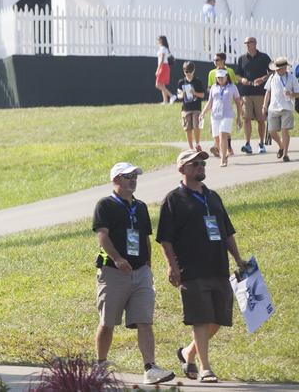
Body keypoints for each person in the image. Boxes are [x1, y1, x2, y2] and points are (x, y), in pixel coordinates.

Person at [156, 149, 250, 384]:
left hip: (218, 266)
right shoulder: (173, 199)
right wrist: (172, 266)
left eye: (202, 164)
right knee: (200, 317)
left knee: (218, 319)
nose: (201, 167)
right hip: (191, 269)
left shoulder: (213, 197)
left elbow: (227, 232)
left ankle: (188, 353)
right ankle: (205, 368)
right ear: (182, 169)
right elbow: (165, 238)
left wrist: (238, 259)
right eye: (195, 164)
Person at [92, 163, 175, 385]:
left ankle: (150, 368)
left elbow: (145, 237)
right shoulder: (105, 205)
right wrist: (118, 259)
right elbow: (102, 235)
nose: (133, 180)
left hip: (141, 272)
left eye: (135, 176)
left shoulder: (140, 207)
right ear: (116, 179)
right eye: (128, 176)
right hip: (113, 272)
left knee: (144, 320)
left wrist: (147, 265)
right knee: (108, 321)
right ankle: (100, 365)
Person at [234, 37, 271, 155]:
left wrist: (263, 79)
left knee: (261, 120)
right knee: (246, 119)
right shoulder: (241, 58)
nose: (246, 45)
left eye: (248, 43)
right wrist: (242, 79)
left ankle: (261, 144)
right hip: (245, 93)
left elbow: (272, 71)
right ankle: (248, 144)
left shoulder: (264, 57)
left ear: (254, 43)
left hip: (260, 93)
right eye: (245, 43)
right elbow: (237, 75)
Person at [202, 69, 242, 168]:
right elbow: (210, 102)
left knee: (222, 135)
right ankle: (223, 153)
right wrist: (203, 112)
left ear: (226, 77)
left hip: (227, 115)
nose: (220, 79)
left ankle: (223, 159)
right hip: (215, 116)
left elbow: (238, 102)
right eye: (218, 77)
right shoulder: (213, 88)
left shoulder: (233, 87)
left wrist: (239, 117)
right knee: (216, 138)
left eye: (222, 77)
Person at [262, 57, 299, 162]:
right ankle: (281, 146)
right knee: (272, 131)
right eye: (276, 68)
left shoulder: (292, 78)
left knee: (285, 130)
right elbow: (268, 92)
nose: (278, 70)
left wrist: (291, 94)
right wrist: (264, 105)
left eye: (280, 68)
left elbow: (298, 93)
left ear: (285, 67)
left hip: (287, 108)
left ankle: (286, 154)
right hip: (273, 108)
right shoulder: (272, 77)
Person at [206, 53, 240, 156]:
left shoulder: (230, 71)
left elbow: (233, 86)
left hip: (227, 104)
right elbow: (209, 87)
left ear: (223, 60)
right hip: (216, 103)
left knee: (225, 129)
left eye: (217, 59)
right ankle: (219, 148)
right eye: (214, 60)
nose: (215, 62)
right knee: (216, 129)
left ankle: (228, 148)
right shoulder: (212, 73)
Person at [176, 62, 207, 151]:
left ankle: (197, 144)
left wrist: (194, 93)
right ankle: (190, 147)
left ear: (193, 71)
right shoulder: (181, 82)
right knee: (188, 128)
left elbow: (202, 95)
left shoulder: (198, 81)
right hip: (186, 109)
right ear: (183, 71)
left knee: (196, 126)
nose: (188, 74)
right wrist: (182, 95)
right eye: (186, 72)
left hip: (196, 108)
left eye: (190, 71)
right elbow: (178, 95)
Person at [154, 36, 174, 104]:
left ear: (161, 41)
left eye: (159, 40)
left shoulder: (163, 48)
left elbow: (162, 60)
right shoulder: (163, 48)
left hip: (163, 66)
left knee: (158, 84)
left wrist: (157, 69)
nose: (158, 41)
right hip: (165, 66)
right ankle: (165, 101)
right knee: (162, 85)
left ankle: (172, 96)